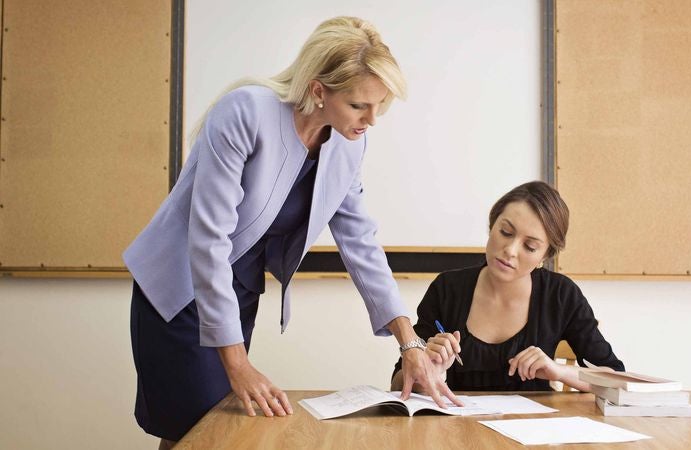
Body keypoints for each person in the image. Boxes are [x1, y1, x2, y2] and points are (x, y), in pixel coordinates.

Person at [125, 16, 457, 448]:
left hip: (238, 288)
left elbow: (361, 243)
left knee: (218, 427)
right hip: (180, 285)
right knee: (197, 427)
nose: (372, 119)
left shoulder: (348, 143)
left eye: (380, 106)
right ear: (319, 90)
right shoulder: (245, 112)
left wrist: (409, 343)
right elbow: (207, 242)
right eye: (360, 105)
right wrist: (239, 363)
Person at [391, 181, 624, 393]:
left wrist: (558, 371)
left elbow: (617, 380)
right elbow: (397, 384)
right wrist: (430, 370)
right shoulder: (447, 289)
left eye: (530, 246)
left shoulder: (560, 295)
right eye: (505, 232)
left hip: (534, 434)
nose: (510, 250)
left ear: (545, 255)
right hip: (456, 432)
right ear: (492, 225)